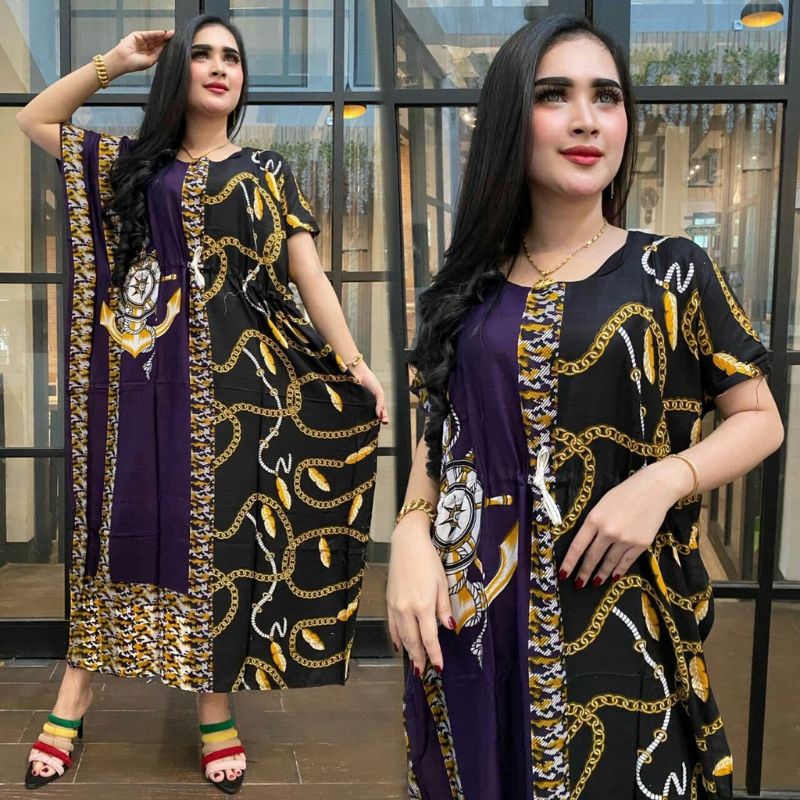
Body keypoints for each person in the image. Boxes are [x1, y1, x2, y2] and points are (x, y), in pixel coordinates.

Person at [387, 14, 783, 800]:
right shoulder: (464, 288)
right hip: (469, 614)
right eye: (553, 95)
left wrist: (662, 481)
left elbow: (760, 417)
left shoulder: (671, 270)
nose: (585, 119)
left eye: (606, 96)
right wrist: (407, 536)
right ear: (511, 118)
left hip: (618, 613)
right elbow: (443, 439)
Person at [17, 14, 387, 794]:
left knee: (221, 547)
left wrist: (354, 361)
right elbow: (36, 119)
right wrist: (116, 60)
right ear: (179, 71)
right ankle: (74, 698)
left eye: (233, 58)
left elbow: (307, 274)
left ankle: (215, 709)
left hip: (238, 396)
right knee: (119, 535)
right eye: (204, 55)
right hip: (141, 389)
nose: (220, 67)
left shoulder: (267, 170)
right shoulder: (133, 164)